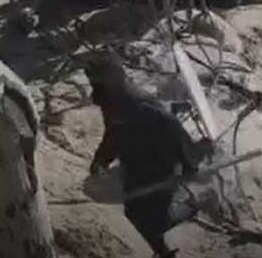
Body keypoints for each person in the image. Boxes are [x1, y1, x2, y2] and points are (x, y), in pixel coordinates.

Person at [86, 53, 212, 258]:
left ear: (114, 79)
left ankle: (194, 205)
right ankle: (163, 252)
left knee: (156, 220)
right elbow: (113, 134)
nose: (95, 87)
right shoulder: (109, 102)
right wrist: (101, 159)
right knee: (133, 212)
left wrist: (189, 166)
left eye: (99, 81)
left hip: (160, 164)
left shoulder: (140, 105)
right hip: (134, 163)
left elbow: (174, 131)